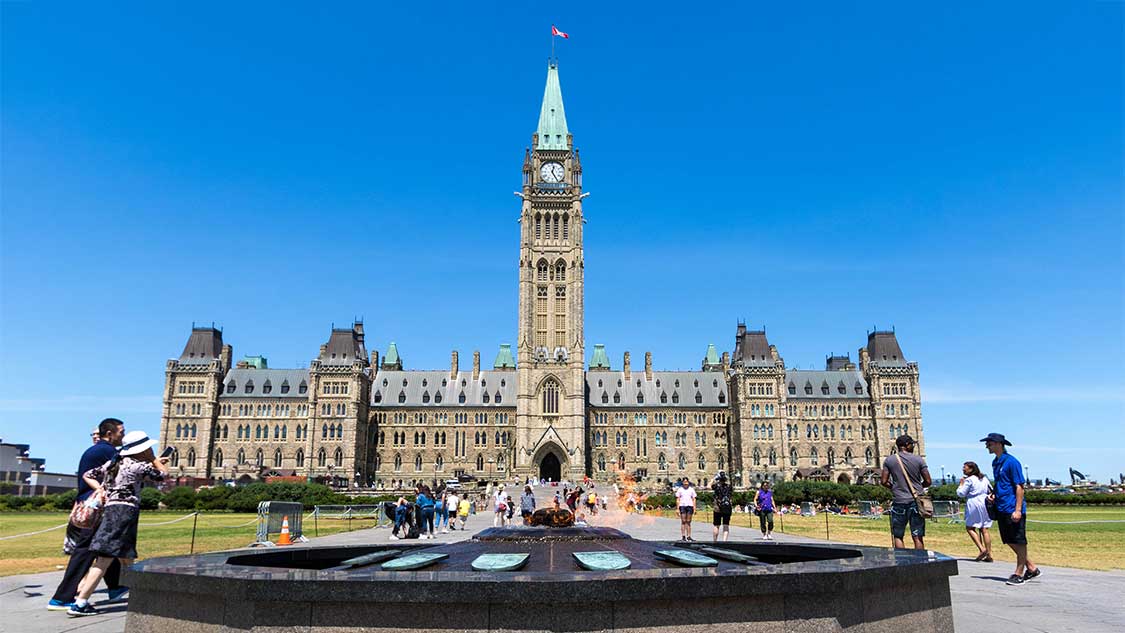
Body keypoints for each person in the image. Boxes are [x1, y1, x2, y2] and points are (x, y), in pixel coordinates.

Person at [67, 431, 169, 617]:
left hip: (111, 510)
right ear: (142, 449)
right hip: (124, 512)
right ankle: (80, 602)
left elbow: (88, 474)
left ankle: (137, 592)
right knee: (105, 558)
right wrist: (154, 459)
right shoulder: (138, 466)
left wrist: (101, 489)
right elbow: (163, 475)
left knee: (127, 556)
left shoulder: (114, 463)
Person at [49, 419, 128, 611]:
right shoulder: (107, 451)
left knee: (106, 547)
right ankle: (62, 597)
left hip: (90, 504)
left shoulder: (97, 450)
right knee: (86, 551)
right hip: (96, 507)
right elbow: (126, 471)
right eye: (121, 432)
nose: (123, 436)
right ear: (109, 434)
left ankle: (115, 587)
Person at [982, 433, 1041, 585]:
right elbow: (1002, 483)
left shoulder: (1011, 462)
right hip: (1001, 506)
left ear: (998, 444)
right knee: (1008, 539)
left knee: (1019, 540)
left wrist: (1018, 509)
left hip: (1012, 507)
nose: (987, 446)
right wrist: (994, 494)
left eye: (989, 443)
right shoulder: (996, 462)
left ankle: (1019, 573)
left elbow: (1019, 486)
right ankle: (1032, 568)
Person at [881, 434, 931, 549]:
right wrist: (918, 487)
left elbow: (884, 481)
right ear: (907, 445)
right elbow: (928, 481)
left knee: (898, 536)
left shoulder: (890, 460)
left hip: (899, 501)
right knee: (917, 536)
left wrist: (895, 488)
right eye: (912, 444)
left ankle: (901, 563)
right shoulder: (918, 459)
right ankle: (920, 563)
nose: (913, 446)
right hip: (916, 501)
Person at [957, 461, 993, 562]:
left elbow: (961, 493)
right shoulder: (984, 478)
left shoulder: (969, 480)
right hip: (985, 501)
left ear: (971, 469)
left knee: (970, 527)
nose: (963, 469)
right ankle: (989, 554)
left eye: (965, 468)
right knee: (984, 528)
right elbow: (991, 489)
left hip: (974, 503)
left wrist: (961, 485)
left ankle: (982, 549)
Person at [710, 471, 733, 542]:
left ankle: (715, 541)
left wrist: (713, 480)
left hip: (718, 507)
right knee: (726, 525)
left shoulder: (716, 486)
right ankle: (724, 541)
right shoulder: (729, 487)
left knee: (716, 525)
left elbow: (708, 486)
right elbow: (731, 496)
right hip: (727, 507)